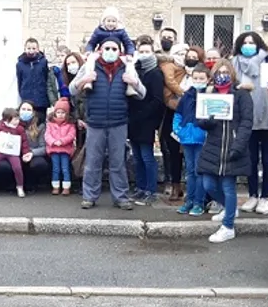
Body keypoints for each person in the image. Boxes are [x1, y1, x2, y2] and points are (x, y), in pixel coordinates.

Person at [69, 38, 138, 210]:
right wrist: (84, 80)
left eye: (114, 48)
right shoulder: (89, 65)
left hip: (119, 122)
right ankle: (89, 197)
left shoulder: (127, 67)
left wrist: (134, 83)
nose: (110, 51)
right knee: (92, 162)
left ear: (120, 51)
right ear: (99, 49)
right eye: (107, 48)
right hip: (95, 123)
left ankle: (121, 197)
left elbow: (141, 94)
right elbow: (71, 89)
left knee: (118, 163)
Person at [196, 58, 254, 243]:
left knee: (229, 187)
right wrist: (208, 121)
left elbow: (247, 122)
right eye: (219, 72)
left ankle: (228, 226)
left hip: (233, 147)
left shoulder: (241, 94)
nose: (222, 76)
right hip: (213, 148)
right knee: (208, 185)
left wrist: (239, 145)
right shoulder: (209, 92)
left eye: (226, 72)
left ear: (232, 74)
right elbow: (201, 121)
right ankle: (230, 208)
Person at [232, 31, 268, 216]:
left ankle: (265, 197)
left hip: (266, 117)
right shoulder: (234, 62)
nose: (248, 45)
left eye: (251, 42)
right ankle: (252, 195)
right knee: (250, 159)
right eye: (245, 42)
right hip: (244, 118)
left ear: (258, 44)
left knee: (267, 160)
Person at [128, 36, 166, 205]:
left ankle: (151, 190)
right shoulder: (134, 70)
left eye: (147, 52)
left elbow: (157, 100)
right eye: (141, 51)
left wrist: (143, 115)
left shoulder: (155, 73)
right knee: (136, 157)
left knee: (147, 157)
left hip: (147, 121)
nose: (143, 55)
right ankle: (140, 187)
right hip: (133, 120)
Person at [173, 65, 209, 216]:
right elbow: (178, 114)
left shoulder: (209, 95)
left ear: (208, 80)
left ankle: (199, 203)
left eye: (202, 79)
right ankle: (189, 201)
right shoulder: (187, 95)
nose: (198, 81)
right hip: (187, 138)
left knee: (199, 171)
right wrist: (178, 130)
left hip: (202, 138)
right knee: (190, 172)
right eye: (196, 78)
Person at [157, 41, 188, 202]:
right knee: (173, 150)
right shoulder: (169, 65)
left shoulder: (189, 69)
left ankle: (182, 185)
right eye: (180, 53)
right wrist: (183, 93)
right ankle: (175, 184)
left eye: (185, 53)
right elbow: (170, 82)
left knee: (186, 151)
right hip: (172, 111)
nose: (183, 57)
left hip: (187, 112)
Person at [0, 107, 31, 198]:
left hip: (13, 152)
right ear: (7, 119)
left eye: (18, 119)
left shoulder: (20, 129)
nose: (17, 121)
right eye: (15, 119)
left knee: (17, 168)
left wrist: (25, 153)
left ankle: (19, 186)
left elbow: (24, 142)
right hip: (0, 151)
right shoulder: (0, 126)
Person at [15, 38, 56, 124]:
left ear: (38, 49)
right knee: (27, 123)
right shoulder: (20, 64)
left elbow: (46, 77)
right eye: (29, 48)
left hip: (41, 99)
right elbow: (20, 80)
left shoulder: (43, 62)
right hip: (27, 98)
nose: (31, 51)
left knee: (40, 124)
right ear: (25, 49)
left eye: (34, 48)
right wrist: (22, 93)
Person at [45, 98, 77, 195]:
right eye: (58, 112)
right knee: (55, 168)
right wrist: (54, 142)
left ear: (67, 114)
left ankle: (66, 186)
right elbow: (47, 135)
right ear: (54, 113)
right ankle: (56, 186)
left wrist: (62, 141)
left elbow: (71, 135)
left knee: (65, 168)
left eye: (63, 112)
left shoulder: (70, 125)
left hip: (65, 150)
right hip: (54, 149)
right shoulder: (50, 124)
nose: (60, 114)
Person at [18, 100, 50, 191]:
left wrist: (31, 153)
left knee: (39, 164)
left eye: (28, 110)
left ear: (33, 112)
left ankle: (33, 182)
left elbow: (43, 148)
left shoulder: (40, 125)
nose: (25, 111)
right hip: (16, 153)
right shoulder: (13, 123)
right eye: (23, 109)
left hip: (32, 153)